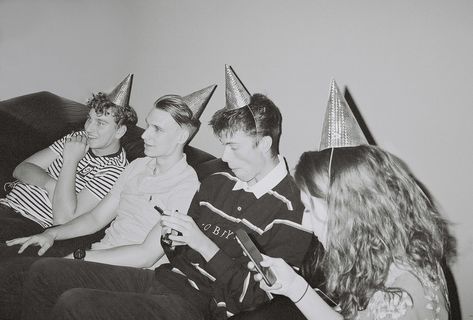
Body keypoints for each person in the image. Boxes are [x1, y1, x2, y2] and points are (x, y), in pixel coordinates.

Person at [15, 65, 312, 320]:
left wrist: (203, 244)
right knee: (43, 271)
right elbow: (169, 247)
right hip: (161, 278)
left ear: (264, 144)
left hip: (194, 302)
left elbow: (256, 296)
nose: (224, 157)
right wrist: (174, 239)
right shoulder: (218, 182)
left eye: (233, 147)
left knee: (75, 303)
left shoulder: (293, 208)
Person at [0, 86, 216, 320]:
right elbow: (95, 218)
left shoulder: (187, 186)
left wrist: (79, 257)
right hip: (101, 253)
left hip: (131, 271)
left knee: (46, 276)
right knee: (13, 271)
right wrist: (52, 234)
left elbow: (145, 255)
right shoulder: (138, 167)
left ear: (181, 136)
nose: (144, 135)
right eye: (148, 125)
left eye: (157, 129)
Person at [250, 80, 450, 320]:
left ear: (349, 213)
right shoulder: (389, 255)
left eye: (312, 210)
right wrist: (294, 286)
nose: (306, 222)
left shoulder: (396, 302)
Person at [0, 74, 137, 242]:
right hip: (6, 204)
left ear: (120, 131)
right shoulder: (76, 137)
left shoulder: (115, 171)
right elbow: (21, 169)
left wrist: (70, 160)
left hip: (30, 223)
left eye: (100, 123)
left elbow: (63, 218)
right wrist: (51, 185)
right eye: (89, 119)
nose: (89, 128)